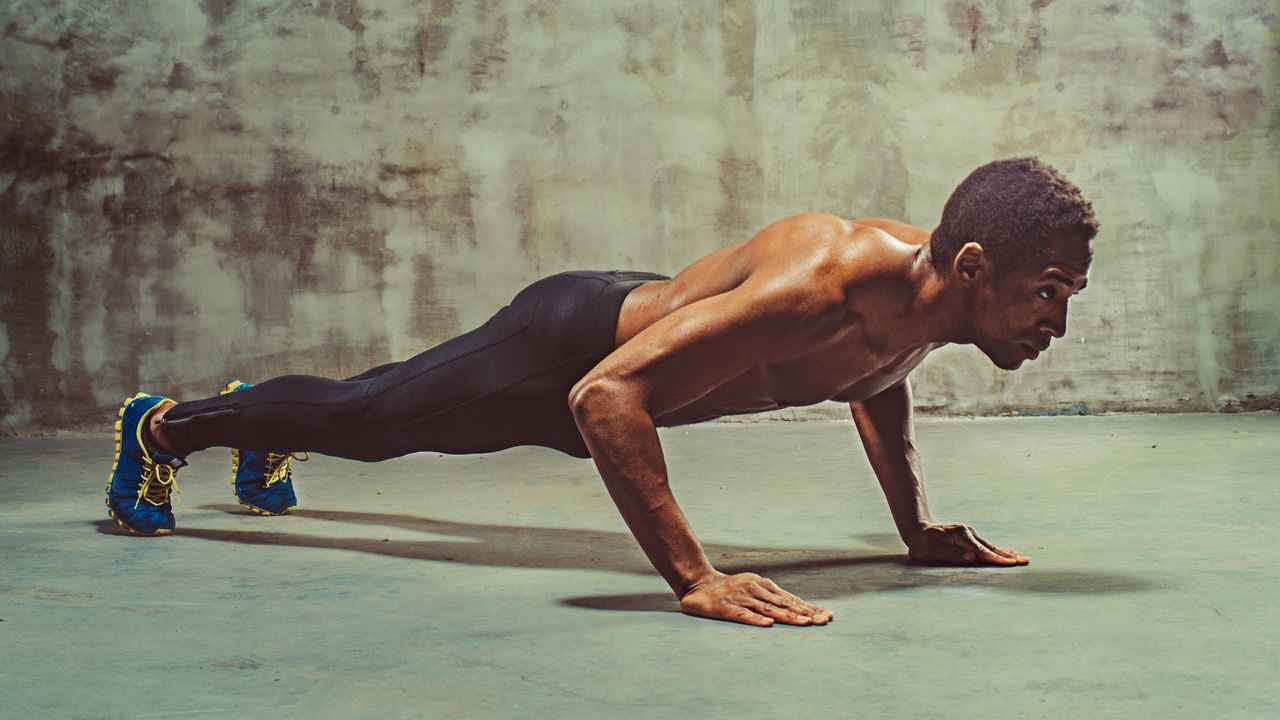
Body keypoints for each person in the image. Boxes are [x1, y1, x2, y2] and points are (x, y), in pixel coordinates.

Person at [105, 156, 1098, 628]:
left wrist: (915, 528)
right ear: (971, 265)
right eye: (1046, 292)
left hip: (616, 365)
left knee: (367, 412)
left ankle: (260, 417)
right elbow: (602, 399)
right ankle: (168, 428)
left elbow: (876, 383)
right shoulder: (820, 286)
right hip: (565, 348)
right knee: (368, 422)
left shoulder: (916, 303)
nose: (1054, 319)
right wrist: (695, 579)